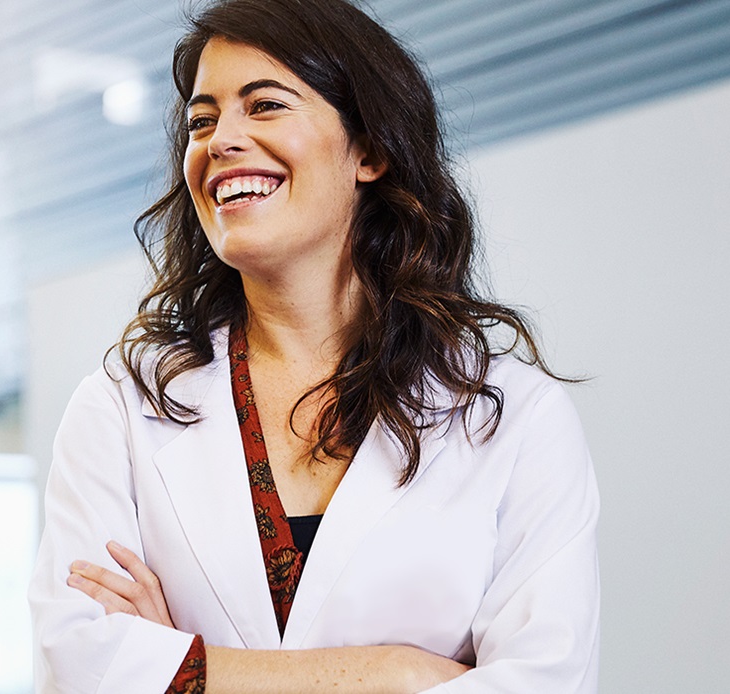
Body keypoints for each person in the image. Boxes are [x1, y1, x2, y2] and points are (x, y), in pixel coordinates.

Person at [29, 0, 600, 691]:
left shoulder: (514, 416)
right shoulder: (121, 407)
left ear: (371, 151)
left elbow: (543, 683)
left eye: (264, 105)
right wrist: (397, 672)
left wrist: (183, 668)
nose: (221, 141)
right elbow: (79, 666)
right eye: (201, 121)